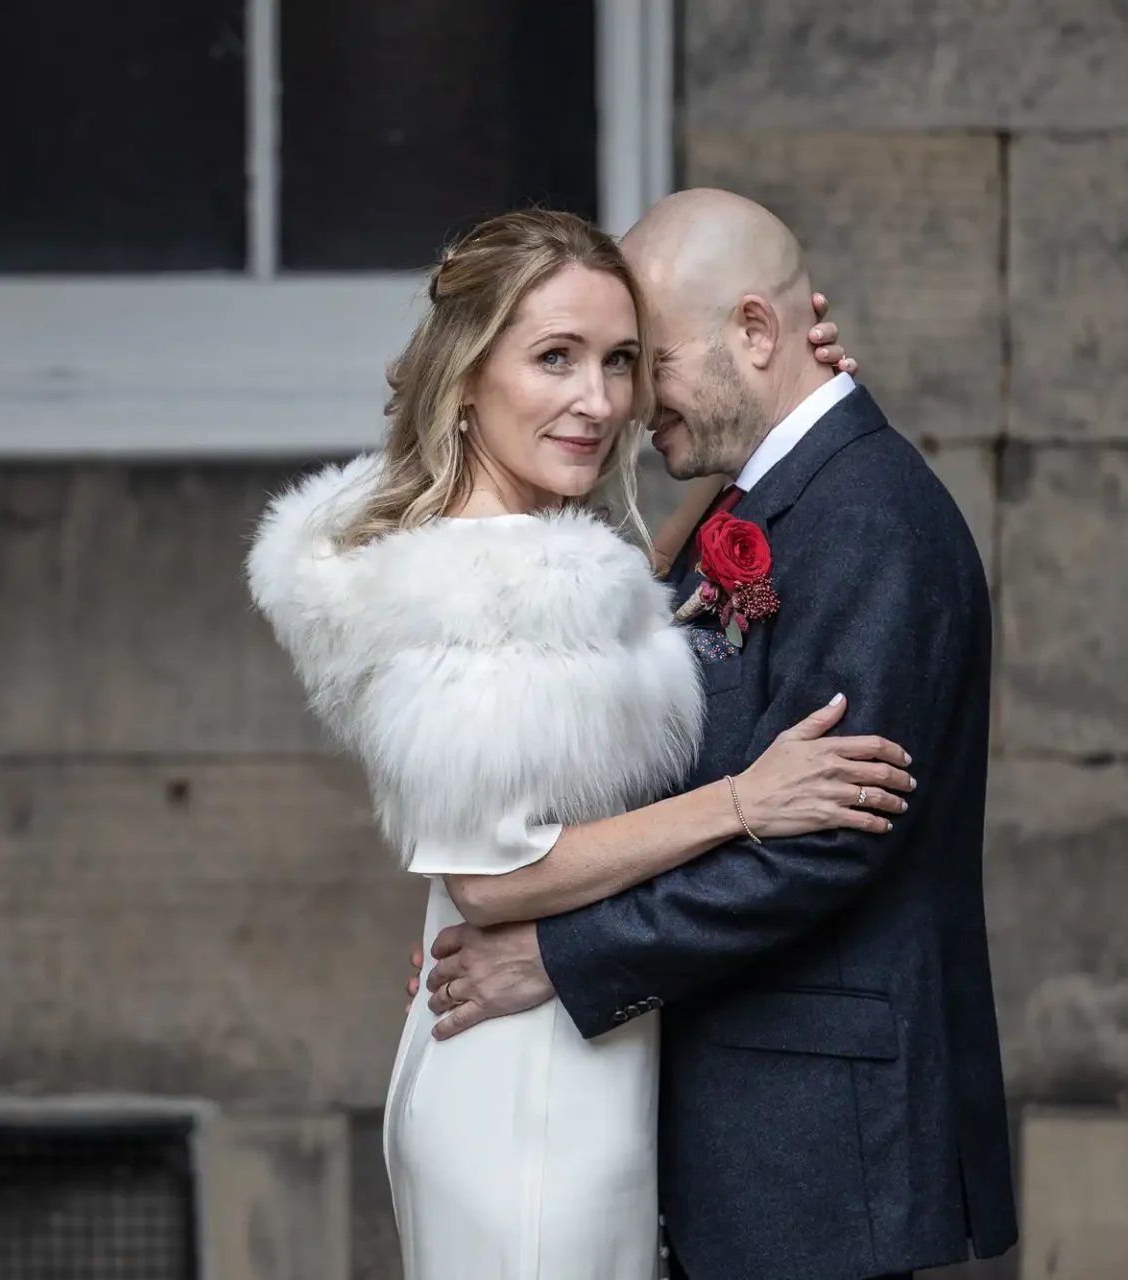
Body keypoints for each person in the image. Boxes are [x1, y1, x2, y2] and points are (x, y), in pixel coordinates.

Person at [246, 207, 911, 1279]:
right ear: (467, 375)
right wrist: (742, 800)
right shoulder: (492, 587)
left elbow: (615, 626)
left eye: (621, 361)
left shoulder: (520, 560)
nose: (598, 402)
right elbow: (490, 880)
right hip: (531, 1097)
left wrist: (782, 397)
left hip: (551, 1056)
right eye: (554, 357)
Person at [416, 190, 1018, 1280]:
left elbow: (825, 839)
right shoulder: (777, 497)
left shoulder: (871, 517)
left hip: (818, 1147)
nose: (631, 402)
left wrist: (558, 958)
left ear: (754, 331)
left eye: (650, 361)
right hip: (747, 1132)